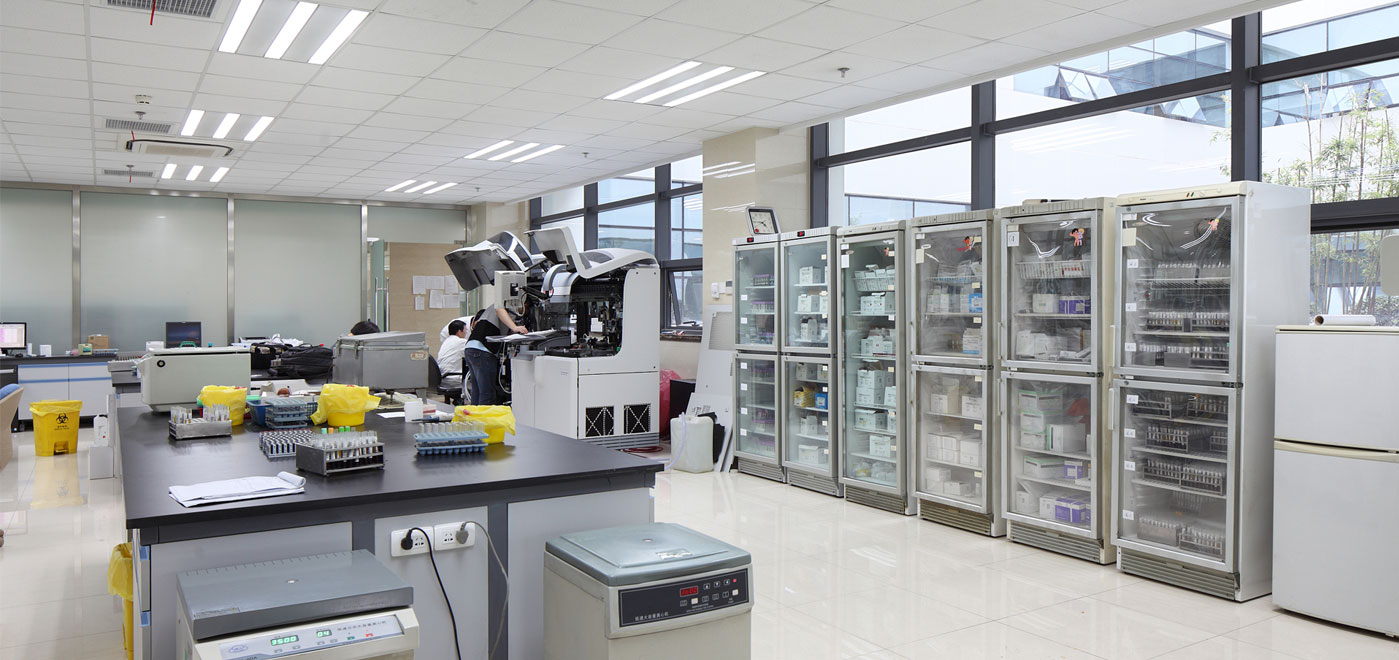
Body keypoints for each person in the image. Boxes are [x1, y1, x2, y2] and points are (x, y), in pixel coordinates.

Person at [463, 304, 527, 405]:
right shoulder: (504, 304)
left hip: (471, 348)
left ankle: (475, 414)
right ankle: (484, 415)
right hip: (483, 350)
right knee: (487, 393)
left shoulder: (495, 310)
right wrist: (515, 327)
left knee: (477, 391)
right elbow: (499, 309)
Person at [436, 320, 467, 391]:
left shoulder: (446, 341)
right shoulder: (461, 342)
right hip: (453, 378)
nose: (466, 333)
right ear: (459, 331)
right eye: (465, 330)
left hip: (443, 377)